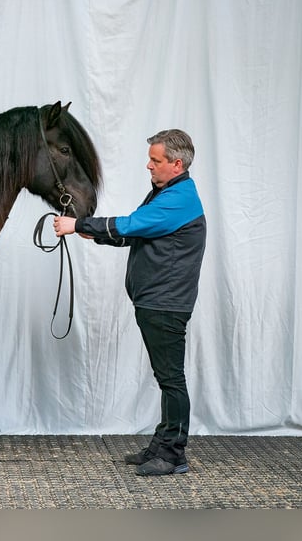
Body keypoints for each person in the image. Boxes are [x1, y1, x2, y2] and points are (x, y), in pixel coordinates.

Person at [54, 129, 206, 476]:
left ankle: (172, 455)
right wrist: (87, 231)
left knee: (171, 380)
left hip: (165, 304)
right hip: (158, 302)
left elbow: (132, 224)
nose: (148, 166)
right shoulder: (166, 194)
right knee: (166, 376)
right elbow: (136, 233)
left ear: (177, 164)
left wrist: (79, 223)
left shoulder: (177, 199)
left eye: (156, 160)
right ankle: (162, 444)